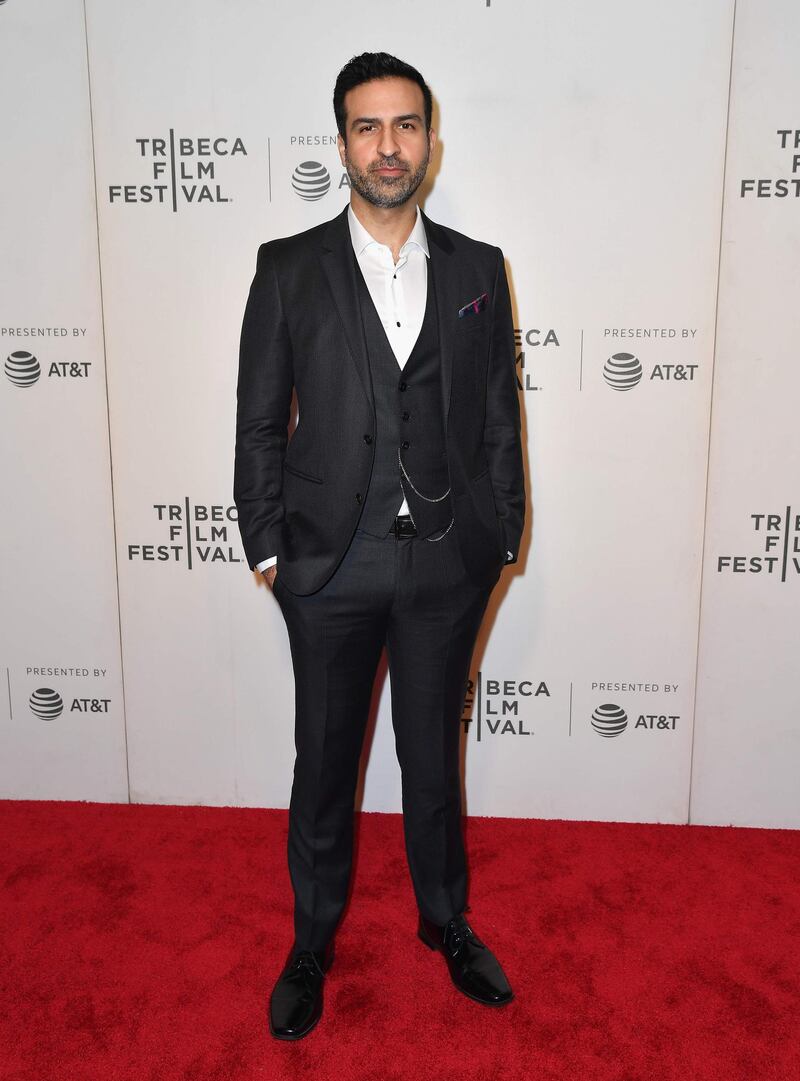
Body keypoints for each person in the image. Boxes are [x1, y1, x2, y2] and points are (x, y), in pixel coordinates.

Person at [234, 51, 525, 1040]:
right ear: (342, 144)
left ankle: (444, 923)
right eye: (367, 127)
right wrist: (267, 549)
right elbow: (259, 422)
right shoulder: (287, 267)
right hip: (326, 564)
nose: (387, 145)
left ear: (430, 144)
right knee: (324, 760)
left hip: (447, 562)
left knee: (431, 762)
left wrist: (501, 532)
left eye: (405, 125)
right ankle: (311, 940)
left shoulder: (478, 269)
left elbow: (494, 418)